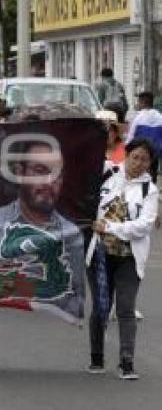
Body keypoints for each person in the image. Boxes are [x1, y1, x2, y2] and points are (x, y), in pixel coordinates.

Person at [0, 139, 85, 318]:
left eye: (56, 174)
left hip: (48, 329)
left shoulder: (72, 234)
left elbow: (76, 295)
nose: (48, 182)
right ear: (20, 173)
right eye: (39, 171)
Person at [88, 138, 158, 379]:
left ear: (150, 164)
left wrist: (109, 227)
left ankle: (126, 363)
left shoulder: (150, 190)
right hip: (99, 255)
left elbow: (143, 226)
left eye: (144, 160)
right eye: (135, 157)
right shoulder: (108, 174)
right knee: (100, 308)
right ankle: (96, 358)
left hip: (129, 257)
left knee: (126, 308)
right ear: (126, 155)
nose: (138, 163)